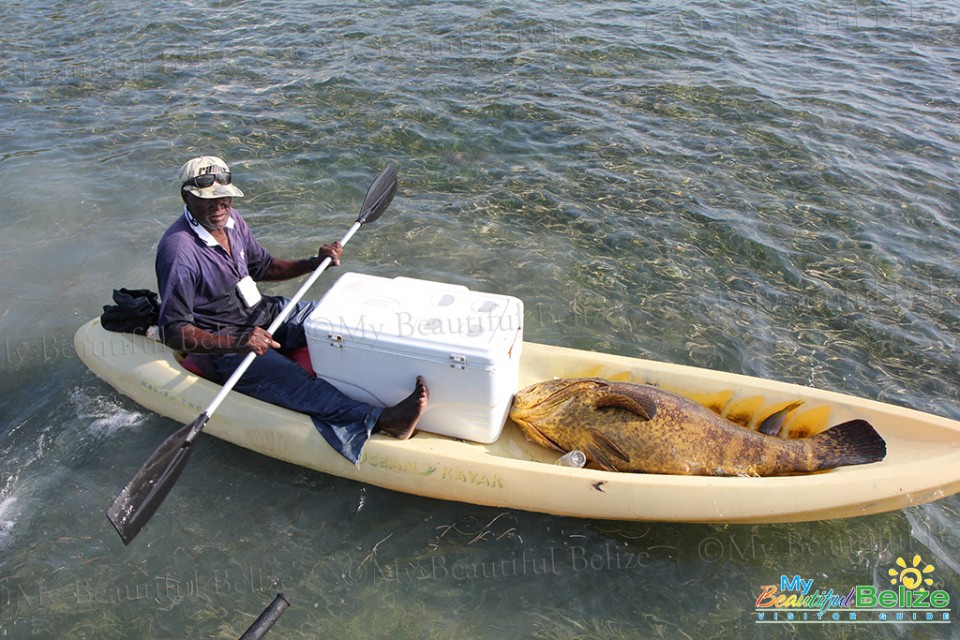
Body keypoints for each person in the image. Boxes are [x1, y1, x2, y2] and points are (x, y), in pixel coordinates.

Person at [156, 155, 428, 463]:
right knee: (296, 382)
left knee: (337, 320)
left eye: (223, 196)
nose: (219, 205)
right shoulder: (178, 252)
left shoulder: (232, 221)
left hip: (263, 312)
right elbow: (173, 333)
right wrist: (239, 342)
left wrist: (314, 263)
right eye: (208, 199)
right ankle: (382, 421)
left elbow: (264, 267)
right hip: (224, 346)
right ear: (186, 197)